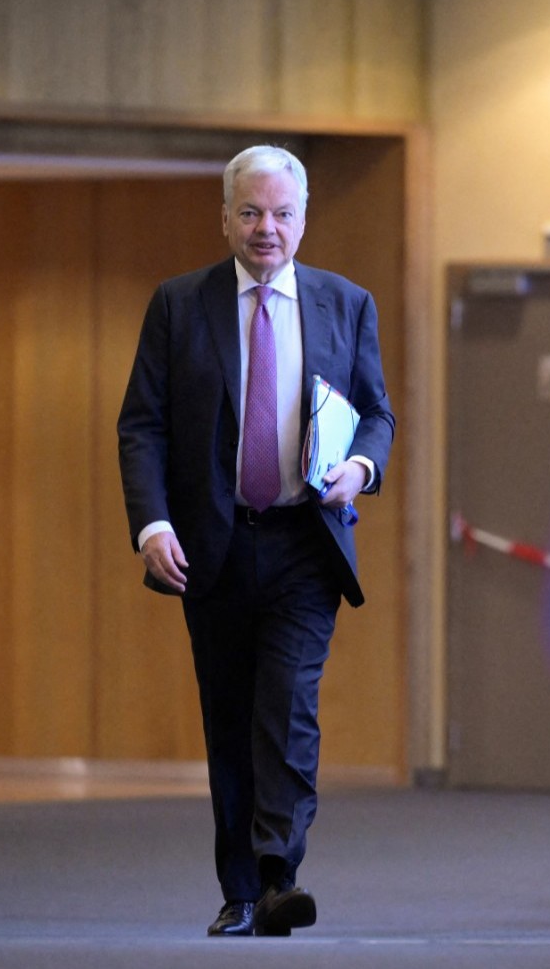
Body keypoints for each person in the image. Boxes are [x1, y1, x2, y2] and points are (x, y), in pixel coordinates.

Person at [116, 144, 395, 938]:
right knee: (231, 716)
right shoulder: (180, 304)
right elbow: (142, 425)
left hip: (305, 543)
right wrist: (153, 523)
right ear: (225, 218)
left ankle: (279, 873)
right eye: (250, 212)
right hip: (215, 546)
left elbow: (376, 412)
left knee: (288, 705)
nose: (266, 227)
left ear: (303, 220)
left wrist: (361, 467)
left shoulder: (347, 304)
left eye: (281, 214)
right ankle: (239, 892)